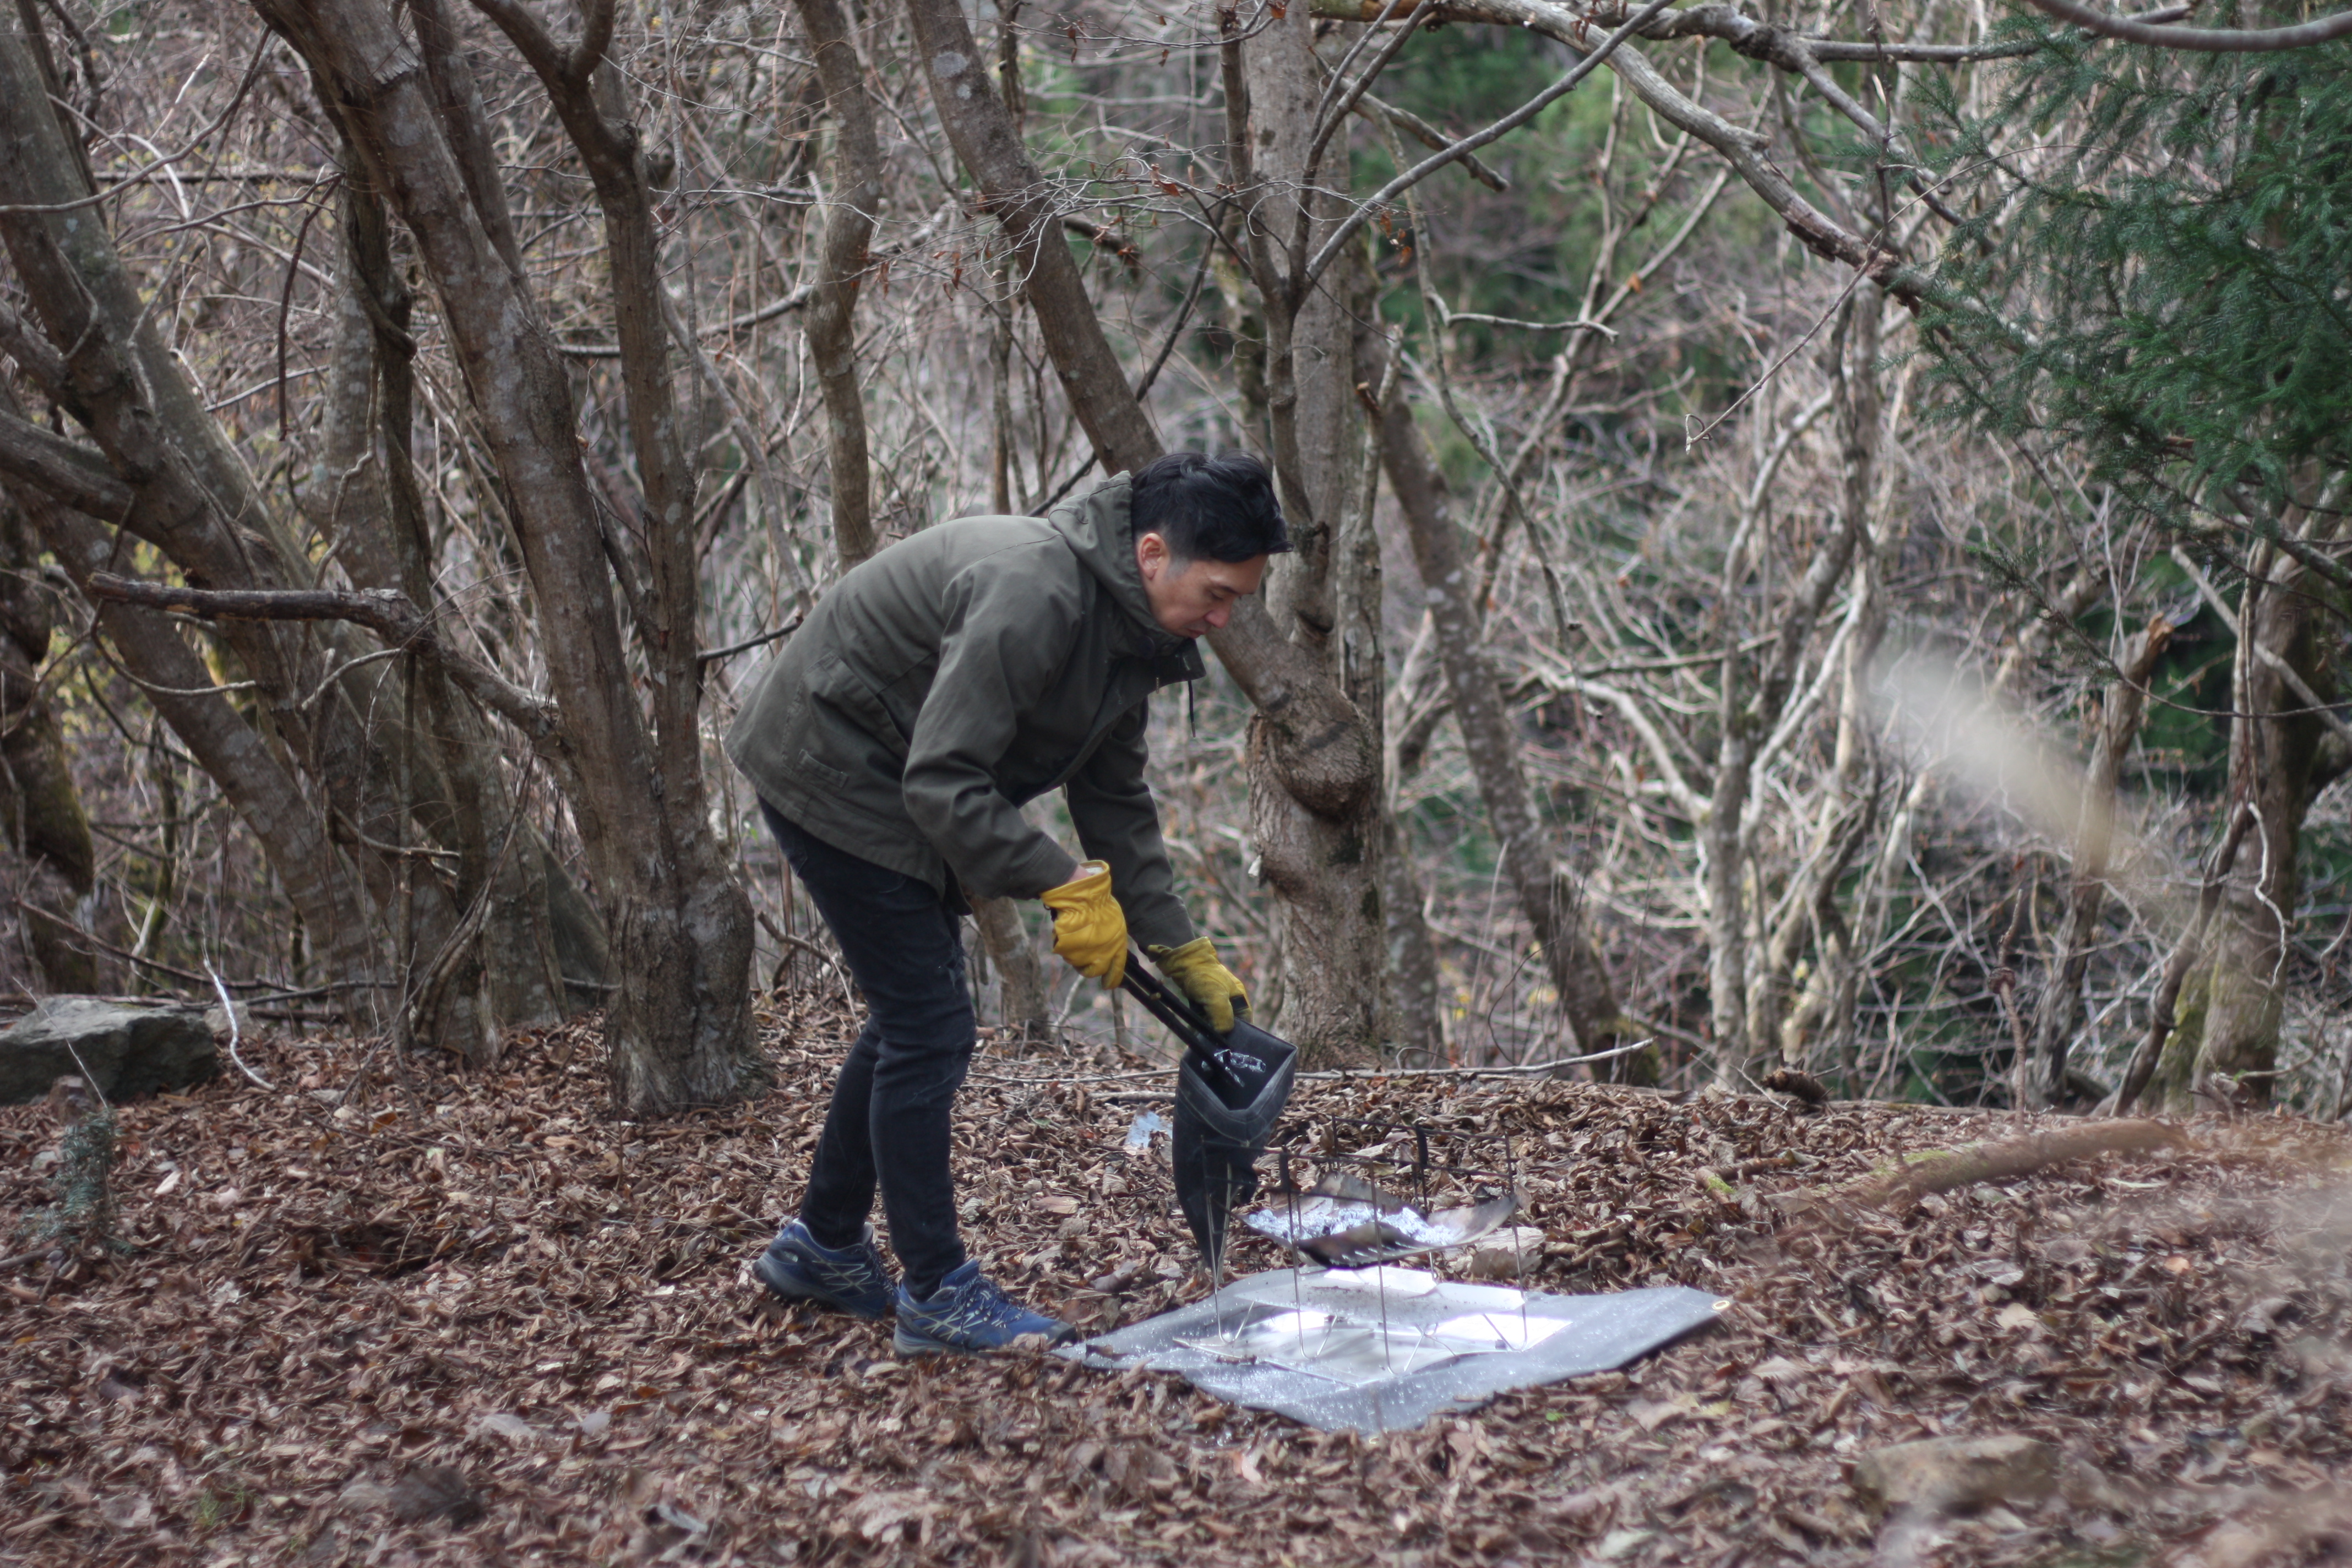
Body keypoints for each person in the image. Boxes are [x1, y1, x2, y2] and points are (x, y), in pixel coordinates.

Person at [724, 450, 1288, 1355]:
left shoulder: (1131, 632)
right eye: (1217, 593)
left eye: (1236, 602)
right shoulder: (1039, 593)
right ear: (1152, 553)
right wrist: (1062, 887)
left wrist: (1179, 949)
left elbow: (1115, 803)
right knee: (931, 1029)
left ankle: (823, 1246)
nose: (1223, 620)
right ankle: (938, 1293)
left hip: (889, 769)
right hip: (829, 760)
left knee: (913, 1016)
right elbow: (943, 781)